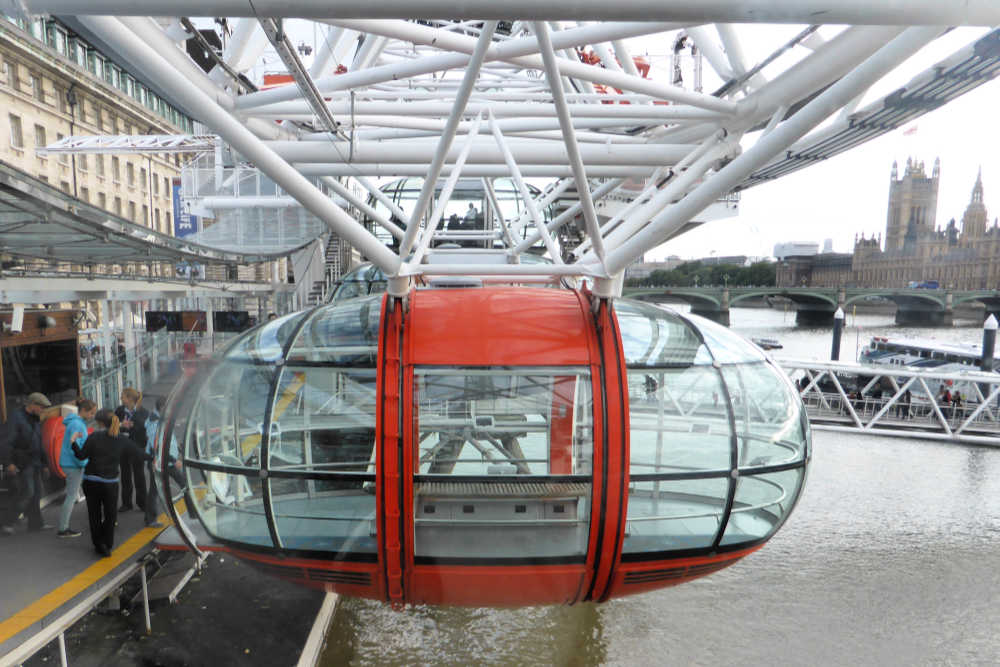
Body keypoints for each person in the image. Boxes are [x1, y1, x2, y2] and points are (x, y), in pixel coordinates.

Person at [71, 409, 146, 557]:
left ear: (99, 423)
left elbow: (81, 456)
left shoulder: (94, 436)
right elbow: (139, 454)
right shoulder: (121, 439)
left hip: (91, 482)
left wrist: (73, 442)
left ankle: (99, 544)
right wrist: (157, 457)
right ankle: (107, 543)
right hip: (110, 484)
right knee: (110, 515)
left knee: (94, 515)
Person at [0, 393, 53, 535]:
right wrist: (8, 463)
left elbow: (39, 443)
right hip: (23, 463)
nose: (43, 410)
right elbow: (5, 442)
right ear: (32, 404)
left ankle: (36, 524)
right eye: (41, 407)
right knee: (27, 492)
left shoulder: (35, 419)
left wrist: (45, 464)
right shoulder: (15, 418)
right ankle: (7, 523)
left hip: (34, 462)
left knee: (36, 493)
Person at [56, 398, 97, 538]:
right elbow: (77, 447)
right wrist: (84, 463)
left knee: (72, 495)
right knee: (71, 496)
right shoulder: (78, 425)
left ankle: (63, 526)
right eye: (91, 413)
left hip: (70, 463)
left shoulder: (74, 423)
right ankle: (63, 528)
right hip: (74, 465)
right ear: (84, 411)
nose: (93, 416)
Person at [143, 397, 185, 527]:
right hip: (161, 462)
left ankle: (150, 519)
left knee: (157, 490)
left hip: (166, 461)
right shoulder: (155, 424)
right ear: (162, 408)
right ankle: (150, 519)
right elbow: (158, 446)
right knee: (181, 484)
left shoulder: (161, 420)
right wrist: (173, 459)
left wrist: (177, 448)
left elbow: (168, 439)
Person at [115, 388, 148, 512]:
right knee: (125, 475)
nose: (121, 398)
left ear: (130, 399)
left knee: (139, 475)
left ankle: (142, 503)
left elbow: (146, 428)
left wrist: (134, 425)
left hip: (137, 447)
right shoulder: (119, 411)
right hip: (123, 447)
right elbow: (113, 426)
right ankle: (126, 503)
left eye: (123, 396)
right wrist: (121, 426)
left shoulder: (143, 412)